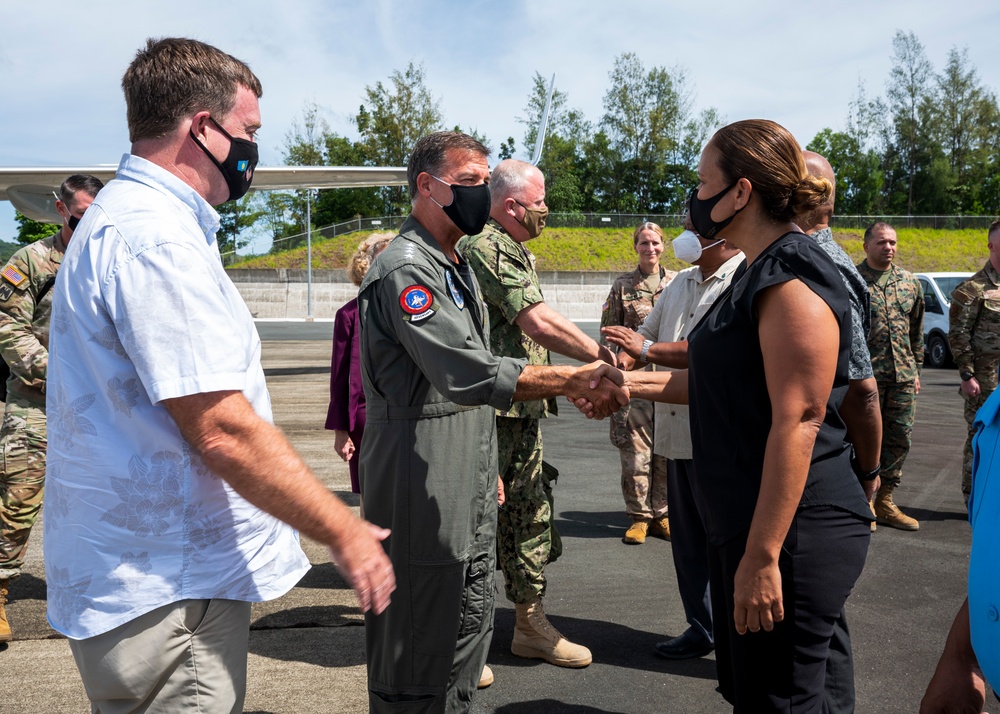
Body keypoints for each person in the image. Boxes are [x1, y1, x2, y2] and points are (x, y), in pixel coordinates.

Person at [43, 37, 396, 712]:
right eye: (249, 132)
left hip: (141, 577)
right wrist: (341, 528)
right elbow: (223, 429)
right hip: (171, 595)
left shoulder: (125, 220)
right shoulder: (156, 239)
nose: (253, 150)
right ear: (202, 128)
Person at [596, 119, 874, 710]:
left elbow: (799, 418)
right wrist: (625, 380)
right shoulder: (756, 270)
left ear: (741, 192)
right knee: (800, 692)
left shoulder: (791, 275)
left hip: (791, 532)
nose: (694, 199)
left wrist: (763, 555)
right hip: (755, 521)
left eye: (703, 183)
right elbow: (718, 379)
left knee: (780, 699)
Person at [358, 133, 626, 712]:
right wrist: (573, 377)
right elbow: (466, 371)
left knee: (464, 627)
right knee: (419, 649)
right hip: (422, 478)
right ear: (427, 187)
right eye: (472, 183)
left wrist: (485, 467)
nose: (483, 194)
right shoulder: (406, 270)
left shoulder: (452, 262)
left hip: (463, 471)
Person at [458, 158, 615, 670]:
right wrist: (597, 359)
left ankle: (530, 625)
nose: (546, 209)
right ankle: (466, 641)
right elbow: (536, 320)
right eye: (541, 201)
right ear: (511, 205)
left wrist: (564, 387)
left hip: (520, 411)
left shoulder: (514, 250)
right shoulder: (484, 245)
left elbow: (524, 341)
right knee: (476, 522)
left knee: (529, 515)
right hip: (485, 414)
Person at [603, 217, 744, 662]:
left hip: (720, 439)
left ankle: (739, 638)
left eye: (691, 228)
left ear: (722, 235)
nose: (682, 236)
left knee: (727, 545)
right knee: (688, 546)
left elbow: (707, 355)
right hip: (675, 434)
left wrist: (642, 353)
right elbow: (643, 337)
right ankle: (702, 627)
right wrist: (615, 370)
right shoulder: (681, 282)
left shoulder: (745, 278)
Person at [0, 174, 103, 643]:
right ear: (61, 210)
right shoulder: (33, 262)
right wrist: (58, 375)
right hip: (37, 401)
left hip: (97, 406)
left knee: (102, 496)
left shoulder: (107, 261)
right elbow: (8, 328)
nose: (89, 227)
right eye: (81, 217)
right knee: (20, 496)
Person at [799, 151, 883, 714]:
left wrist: (871, 473)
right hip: (819, 465)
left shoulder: (817, 266)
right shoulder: (802, 256)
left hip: (816, 470)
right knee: (822, 629)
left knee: (815, 638)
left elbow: (861, 389)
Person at [599, 222, 675, 544]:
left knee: (667, 449)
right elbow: (607, 332)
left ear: (663, 246)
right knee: (636, 451)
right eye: (644, 243)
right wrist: (609, 373)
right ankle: (639, 517)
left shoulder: (677, 283)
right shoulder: (622, 286)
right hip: (634, 379)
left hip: (671, 378)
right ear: (636, 247)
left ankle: (664, 513)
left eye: (655, 242)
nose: (650, 248)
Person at [857, 221, 925, 530]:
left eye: (893, 242)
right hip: (864, 379)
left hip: (902, 378)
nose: (889, 247)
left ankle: (885, 501)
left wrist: (917, 370)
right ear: (866, 245)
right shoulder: (853, 280)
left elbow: (916, 332)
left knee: (899, 440)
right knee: (860, 439)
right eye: (882, 242)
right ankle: (862, 501)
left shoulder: (910, 283)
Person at [325, 232, 394, 500]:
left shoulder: (415, 307)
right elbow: (340, 378)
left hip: (412, 416)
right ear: (366, 266)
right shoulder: (349, 315)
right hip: (367, 420)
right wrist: (341, 431)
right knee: (373, 494)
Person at [948, 218, 1000, 506]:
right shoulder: (973, 288)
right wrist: (967, 375)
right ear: (991, 245)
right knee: (980, 438)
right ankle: (973, 498)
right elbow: (958, 334)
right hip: (985, 380)